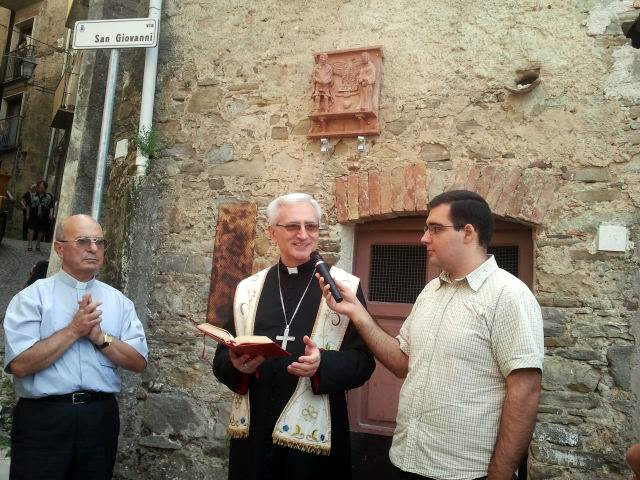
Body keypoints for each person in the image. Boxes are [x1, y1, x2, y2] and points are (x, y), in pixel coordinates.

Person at [318, 190, 544, 480]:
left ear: (468, 233)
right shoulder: (431, 292)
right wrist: (357, 312)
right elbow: (402, 362)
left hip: (464, 472)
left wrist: (499, 475)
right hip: (407, 460)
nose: (424, 238)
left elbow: (525, 392)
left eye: (435, 229)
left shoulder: (509, 296)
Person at [212, 193, 375, 480]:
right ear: (271, 232)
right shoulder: (248, 290)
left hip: (313, 446)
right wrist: (235, 364)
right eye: (292, 227)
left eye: (311, 227)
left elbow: (363, 362)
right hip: (255, 434)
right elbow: (222, 355)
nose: (303, 235)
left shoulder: (344, 287)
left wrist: (322, 364)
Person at [3, 214, 148, 480]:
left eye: (99, 242)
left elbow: (138, 362)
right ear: (60, 248)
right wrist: (73, 331)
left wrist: (100, 338)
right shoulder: (32, 298)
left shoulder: (120, 302)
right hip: (44, 419)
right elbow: (20, 364)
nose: (93, 248)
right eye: (83, 241)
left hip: (99, 418)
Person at [26, 180, 54, 252]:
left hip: (44, 215)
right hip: (33, 214)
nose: (40, 189)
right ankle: (30, 244)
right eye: (39, 187)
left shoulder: (48, 196)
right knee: (31, 229)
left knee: (41, 230)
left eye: (42, 187)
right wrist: (27, 214)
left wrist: (51, 213)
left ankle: (38, 244)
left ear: (45, 188)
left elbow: (51, 206)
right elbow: (28, 205)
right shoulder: (32, 195)